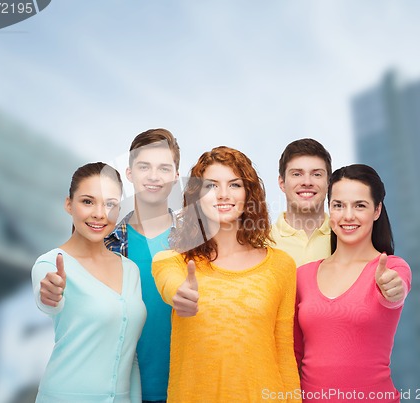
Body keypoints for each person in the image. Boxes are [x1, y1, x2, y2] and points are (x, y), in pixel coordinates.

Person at [152, 146, 301, 403]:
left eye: (234, 185)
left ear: (248, 195)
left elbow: (284, 355)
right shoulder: (173, 262)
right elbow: (171, 284)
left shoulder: (281, 266)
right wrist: (180, 294)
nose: (223, 195)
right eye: (211, 186)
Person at [294, 164, 411, 402]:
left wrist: (393, 291)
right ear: (329, 209)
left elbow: (396, 291)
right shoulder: (302, 276)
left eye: (360, 205)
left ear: (377, 210)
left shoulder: (391, 268)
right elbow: (294, 353)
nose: (348, 216)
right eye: (338, 205)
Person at [32, 162, 146, 402]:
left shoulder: (131, 270)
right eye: (87, 201)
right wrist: (50, 295)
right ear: (68, 204)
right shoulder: (50, 264)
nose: (99, 213)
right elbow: (48, 299)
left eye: (110, 204)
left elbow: (129, 353)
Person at [105, 129, 180, 403]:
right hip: (121, 390)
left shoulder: (199, 244)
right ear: (129, 173)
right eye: (144, 166)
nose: (153, 176)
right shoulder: (105, 243)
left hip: (186, 389)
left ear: (175, 175)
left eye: (164, 168)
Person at [271, 138, 332, 267]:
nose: (307, 182)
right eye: (297, 174)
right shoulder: (261, 242)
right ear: (282, 183)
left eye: (316, 174)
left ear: (328, 183)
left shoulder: (346, 238)